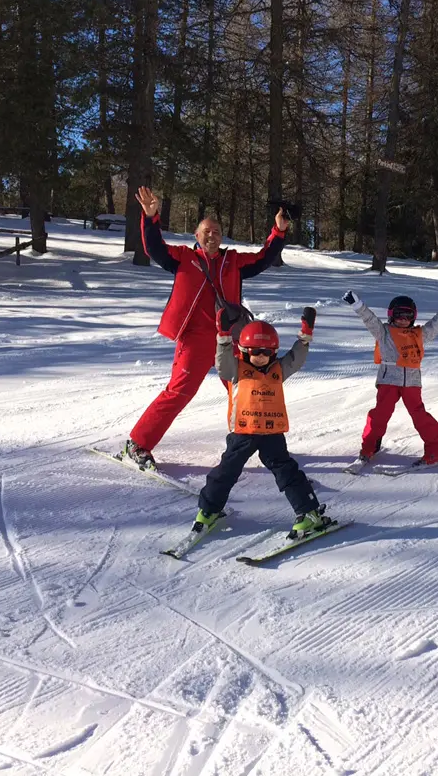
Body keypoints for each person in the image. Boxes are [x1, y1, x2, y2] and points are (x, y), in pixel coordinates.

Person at [124, 186, 289, 469]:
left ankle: (244, 441)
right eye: (206, 232)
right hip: (195, 338)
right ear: (196, 237)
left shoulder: (233, 261)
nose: (211, 236)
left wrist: (279, 231)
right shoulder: (183, 258)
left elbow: (263, 259)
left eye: (216, 232)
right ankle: (138, 443)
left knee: (243, 389)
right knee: (179, 391)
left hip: (230, 337)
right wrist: (150, 217)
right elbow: (154, 249)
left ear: (221, 237)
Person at [192, 310, 332, 540]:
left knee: (287, 472)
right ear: (244, 351)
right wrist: (224, 337)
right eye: (255, 352)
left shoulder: (278, 370)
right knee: (225, 473)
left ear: (273, 352)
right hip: (243, 433)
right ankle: (209, 510)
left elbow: (295, 359)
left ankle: (309, 513)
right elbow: (222, 363)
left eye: (266, 352)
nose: (260, 356)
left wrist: (305, 336)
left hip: (272, 434)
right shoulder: (235, 370)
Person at [343, 288, 438, 466]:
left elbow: (435, 324)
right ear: (391, 316)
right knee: (379, 416)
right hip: (388, 381)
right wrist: (357, 304)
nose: (403, 320)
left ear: (413, 317)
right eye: (399, 316)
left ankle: (436, 451)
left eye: (408, 316)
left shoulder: (418, 334)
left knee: (420, 417)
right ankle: (368, 448)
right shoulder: (383, 332)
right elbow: (369, 319)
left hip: (412, 383)